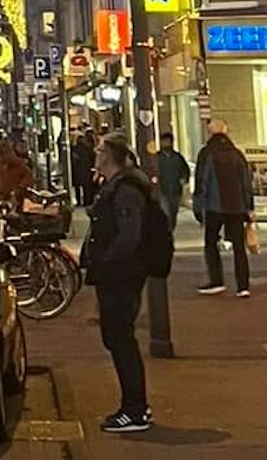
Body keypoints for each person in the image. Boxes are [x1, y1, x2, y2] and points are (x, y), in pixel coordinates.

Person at [79, 134, 154, 433]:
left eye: (99, 150)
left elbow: (129, 233)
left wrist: (108, 260)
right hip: (117, 273)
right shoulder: (117, 185)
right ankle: (133, 407)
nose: (95, 155)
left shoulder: (125, 189)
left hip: (121, 275)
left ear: (110, 155)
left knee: (121, 339)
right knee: (117, 338)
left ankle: (134, 409)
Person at [192, 119, 254, 297]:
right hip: (237, 207)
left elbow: (202, 182)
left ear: (210, 133)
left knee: (211, 243)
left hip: (214, 206)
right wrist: (249, 207)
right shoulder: (237, 154)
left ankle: (217, 280)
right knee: (239, 247)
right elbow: (246, 183)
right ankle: (243, 286)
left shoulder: (207, 153)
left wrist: (198, 208)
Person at [155, 132, 192, 230]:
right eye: (164, 141)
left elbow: (185, 170)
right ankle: (167, 231)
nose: (166, 144)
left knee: (173, 211)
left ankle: (171, 229)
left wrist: (184, 179)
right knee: (165, 212)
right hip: (162, 190)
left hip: (175, 190)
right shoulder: (157, 158)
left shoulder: (177, 157)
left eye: (168, 141)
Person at [0, 140, 34, 210]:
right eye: (0, 152)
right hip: (0, 199)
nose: (2, 156)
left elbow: (28, 178)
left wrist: (19, 190)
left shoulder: (19, 164)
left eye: (4, 152)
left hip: (18, 201)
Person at [69, 133, 96, 206]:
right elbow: (92, 158)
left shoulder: (75, 149)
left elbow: (73, 160)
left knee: (78, 187)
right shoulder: (88, 148)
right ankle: (86, 201)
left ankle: (79, 201)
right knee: (86, 187)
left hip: (77, 171)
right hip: (86, 170)